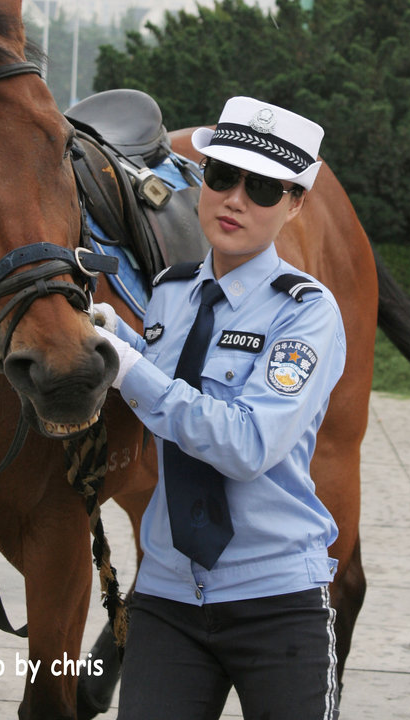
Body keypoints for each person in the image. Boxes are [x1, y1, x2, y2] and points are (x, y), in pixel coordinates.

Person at [93, 95, 346, 720]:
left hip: (278, 599)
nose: (234, 199)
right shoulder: (169, 294)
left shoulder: (307, 312)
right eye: (222, 175)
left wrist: (132, 372)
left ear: (295, 203)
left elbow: (247, 445)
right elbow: (163, 387)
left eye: (262, 187)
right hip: (167, 596)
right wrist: (115, 340)